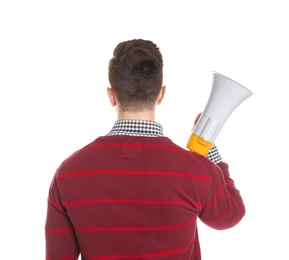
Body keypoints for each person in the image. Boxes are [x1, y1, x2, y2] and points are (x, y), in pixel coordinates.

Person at [45, 39, 245, 260]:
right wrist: (210, 154)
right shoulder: (198, 170)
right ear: (161, 94)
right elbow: (230, 216)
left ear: (111, 96)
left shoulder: (68, 173)